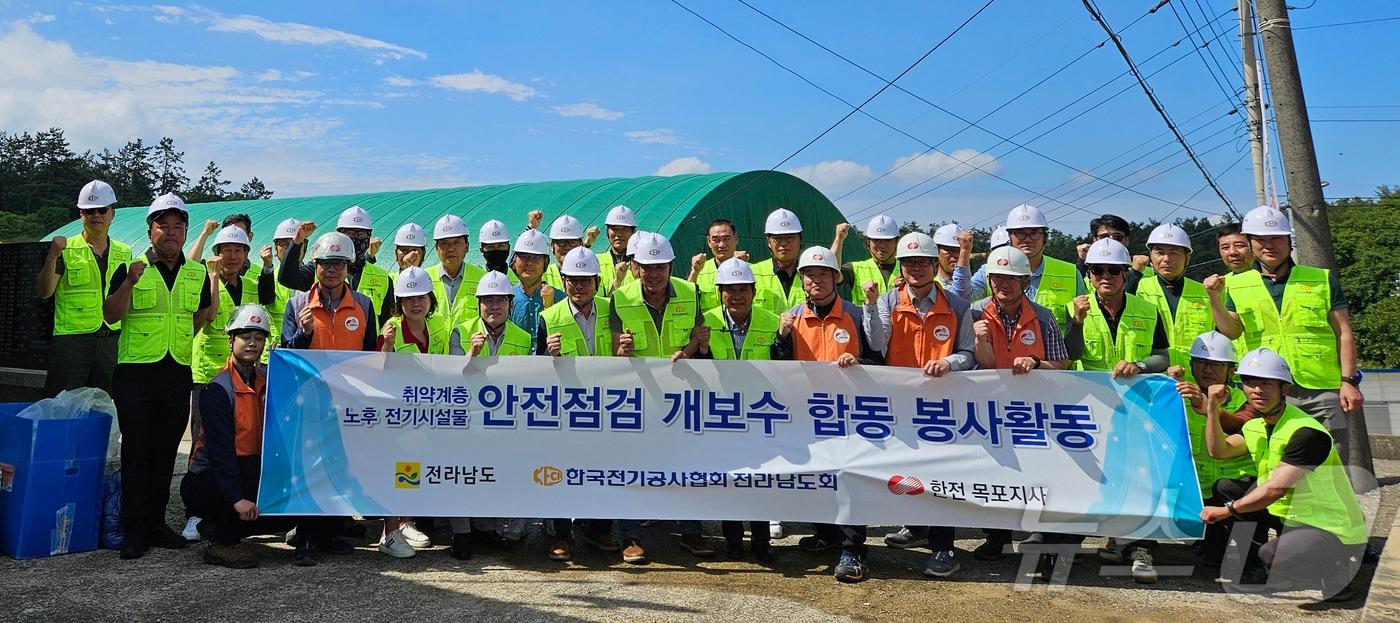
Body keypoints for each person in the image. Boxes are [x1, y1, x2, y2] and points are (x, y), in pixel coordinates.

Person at [1199, 348, 1368, 601]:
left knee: (1272, 555)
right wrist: (1212, 408)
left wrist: (1227, 510)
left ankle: (1337, 568)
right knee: (1227, 486)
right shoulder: (1256, 426)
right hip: (1291, 515)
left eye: (1266, 383)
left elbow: (1276, 489)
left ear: (1284, 389)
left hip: (1330, 525)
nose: (1257, 390)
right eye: (1251, 383)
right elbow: (1219, 451)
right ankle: (1261, 566)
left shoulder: (1306, 432)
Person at [102, 193, 218, 560]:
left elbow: (200, 315)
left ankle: (156, 523)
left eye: (178, 227)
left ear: (185, 232)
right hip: (135, 373)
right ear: (150, 230)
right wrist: (128, 283)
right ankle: (134, 528)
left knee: (167, 452)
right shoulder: (130, 266)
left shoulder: (196, 272)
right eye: (163, 226)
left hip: (176, 372)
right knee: (137, 452)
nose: (171, 232)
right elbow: (111, 315)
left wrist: (180, 342)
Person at [1205, 206, 1365, 466]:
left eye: (1276, 238)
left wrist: (1349, 381)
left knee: (1332, 461)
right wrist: (1214, 298)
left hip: (1321, 389)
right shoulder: (1235, 284)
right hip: (1267, 390)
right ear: (1251, 244)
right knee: (1275, 461)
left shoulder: (1321, 279)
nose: (1269, 245)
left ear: (1289, 241)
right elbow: (1231, 331)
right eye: (1260, 240)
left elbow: (1344, 331)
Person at [179, 304, 335, 568]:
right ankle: (224, 542)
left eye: (259, 337)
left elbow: (293, 368)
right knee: (249, 472)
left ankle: (220, 526)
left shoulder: (266, 378)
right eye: (245, 337)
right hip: (211, 480)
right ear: (231, 341)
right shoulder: (218, 389)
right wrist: (236, 499)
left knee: (305, 472)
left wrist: (304, 336)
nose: (252, 343)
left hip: (250, 470)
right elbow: (221, 453)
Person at [862, 232, 976, 579]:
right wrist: (870, 306)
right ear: (901, 266)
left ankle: (944, 548)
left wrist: (949, 363)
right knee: (905, 469)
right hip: (898, 402)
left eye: (922, 262)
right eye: (909, 263)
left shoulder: (956, 304)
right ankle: (915, 526)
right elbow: (877, 344)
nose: (916, 268)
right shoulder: (889, 300)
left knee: (940, 475)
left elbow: (968, 353)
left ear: (933, 264)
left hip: (940, 404)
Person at [773, 246, 883, 583]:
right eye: (809, 275)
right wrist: (781, 337)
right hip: (808, 414)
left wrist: (858, 362)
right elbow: (779, 367)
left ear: (836, 278)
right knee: (816, 476)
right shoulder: (792, 317)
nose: (816, 280)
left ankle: (854, 551)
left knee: (848, 479)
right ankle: (825, 533)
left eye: (823, 274)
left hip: (849, 415)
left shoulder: (854, 314)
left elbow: (879, 360)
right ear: (802, 280)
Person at [1064, 237, 1170, 582]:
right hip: (1091, 409)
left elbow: (1162, 356)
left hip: (1137, 407)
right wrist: (1077, 321)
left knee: (1140, 477)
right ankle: (1089, 538)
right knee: (1093, 478)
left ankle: (1141, 547)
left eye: (1114, 270)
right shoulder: (1074, 307)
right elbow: (1069, 354)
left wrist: (1139, 365)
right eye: (1098, 270)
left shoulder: (1147, 309)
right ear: (1089, 274)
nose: (1105, 276)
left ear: (1126, 274)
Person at [965, 246, 1076, 571]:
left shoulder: (1042, 316)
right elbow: (980, 366)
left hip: (1032, 413)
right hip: (989, 410)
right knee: (994, 474)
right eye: (997, 277)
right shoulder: (974, 314)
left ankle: (1043, 541)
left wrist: (1037, 362)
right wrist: (980, 341)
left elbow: (1063, 364)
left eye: (1011, 278)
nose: (1003, 284)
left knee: (1038, 475)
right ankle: (996, 537)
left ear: (1026, 281)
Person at [610, 232, 713, 563]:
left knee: (685, 464)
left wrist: (689, 350)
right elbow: (613, 350)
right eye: (647, 267)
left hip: (680, 395)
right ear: (636, 267)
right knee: (631, 466)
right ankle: (630, 536)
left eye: (660, 267)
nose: (654, 274)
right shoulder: (620, 298)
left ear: (670, 266)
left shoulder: (690, 293)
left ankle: (691, 531)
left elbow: (698, 337)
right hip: (637, 397)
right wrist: (622, 350)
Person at [534, 247, 620, 559]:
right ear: (564, 281)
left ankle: (598, 530)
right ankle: (561, 534)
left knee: (604, 470)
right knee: (561, 470)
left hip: (608, 406)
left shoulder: (613, 310)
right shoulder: (549, 318)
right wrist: (548, 356)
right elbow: (535, 371)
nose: (579, 286)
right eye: (572, 280)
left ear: (597, 281)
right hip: (567, 410)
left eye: (585, 280)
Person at [693, 258, 779, 562]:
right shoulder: (706, 322)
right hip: (722, 413)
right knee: (728, 478)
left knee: (760, 478)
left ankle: (761, 541)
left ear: (754, 291)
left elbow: (785, 365)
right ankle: (732, 539)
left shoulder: (772, 322)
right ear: (720, 293)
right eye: (730, 290)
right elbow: (698, 371)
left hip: (760, 413)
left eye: (743, 289)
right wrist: (703, 348)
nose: (737, 296)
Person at [372, 266, 451, 559]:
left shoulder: (438, 324)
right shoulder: (391, 328)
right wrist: (388, 346)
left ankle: (405, 521)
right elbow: (378, 371)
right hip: (398, 415)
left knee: (413, 468)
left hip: (428, 411)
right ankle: (389, 532)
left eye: (421, 297)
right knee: (395, 469)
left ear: (430, 299)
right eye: (408, 299)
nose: (416, 304)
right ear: (400, 303)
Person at [37, 180, 132, 397]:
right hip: (71, 342)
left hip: (110, 341)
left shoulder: (124, 252)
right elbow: (44, 292)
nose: (96, 215)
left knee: (104, 405)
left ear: (112, 213)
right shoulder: (65, 249)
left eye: (102, 210)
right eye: (90, 211)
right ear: (81, 214)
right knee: (63, 405)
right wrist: (52, 256)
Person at [1171, 332, 1258, 568]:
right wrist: (1168, 382)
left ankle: (1252, 558)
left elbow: (1238, 423)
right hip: (1193, 491)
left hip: (1232, 491)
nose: (1207, 369)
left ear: (1231, 370)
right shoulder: (1178, 396)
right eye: (1201, 363)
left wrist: (1208, 405)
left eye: (1216, 365)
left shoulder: (1246, 400)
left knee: (1239, 552)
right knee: (1211, 554)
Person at [971, 204, 1086, 333]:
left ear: (1045, 237)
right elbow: (963, 298)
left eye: (1034, 233)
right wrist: (964, 255)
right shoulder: (990, 270)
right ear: (1009, 237)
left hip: (1053, 345)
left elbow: (1085, 320)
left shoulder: (1070, 273)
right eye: (1020, 233)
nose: (1027, 240)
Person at [277, 206, 394, 329]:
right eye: (349, 233)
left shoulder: (383, 278)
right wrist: (297, 242)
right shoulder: (320, 269)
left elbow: (387, 323)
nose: (355, 239)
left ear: (368, 237)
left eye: (361, 234)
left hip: (364, 341)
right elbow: (287, 278)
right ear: (339, 235)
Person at [1135, 224, 1214, 379]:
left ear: (1187, 258)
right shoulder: (1137, 290)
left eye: (1174, 253)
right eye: (1160, 252)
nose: (1166, 259)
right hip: (1150, 381)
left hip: (1194, 381)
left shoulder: (1206, 293)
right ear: (1150, 256)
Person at [426, 215, 485, 329]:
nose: (451, 249)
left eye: (456, 243)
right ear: (436, 249)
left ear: (467, 247)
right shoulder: (424, 278)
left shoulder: (482, 279)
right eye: (445, 243)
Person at [832, 215, 900, 306]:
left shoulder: (908, 270)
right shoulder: (856, 269)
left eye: (887, 240)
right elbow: (832, 275)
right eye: (876, 240)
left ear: (896, 242)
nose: (882, 245)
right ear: (868, 242)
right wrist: (839, 239)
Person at [506, 229, 556, 352]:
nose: (529, 263)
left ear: (546, 263)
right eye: (523, 257)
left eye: (535, 258)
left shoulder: (561, 299)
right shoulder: (505, 298)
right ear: (514, 262)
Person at [752, 208, 808, 317]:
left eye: (790, 238)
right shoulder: (753, 274)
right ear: (769, 242)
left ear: (800, 239)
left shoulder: (811, 274)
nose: (784, 243)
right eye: (777, 238)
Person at [1075, 214, 1148, 292]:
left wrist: (1135, 273)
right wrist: (1082, 262)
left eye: (1117, 237)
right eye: (1104, 237)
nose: (1110, 240)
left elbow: (1124, 298)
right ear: (1095, 239)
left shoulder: (1145, 271)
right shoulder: (1082, 270)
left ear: (1127, 240)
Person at [688, 218, 748, 312]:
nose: (721, 245)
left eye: (727, 239)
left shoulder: (750, 270)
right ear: (709, 241)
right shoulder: (699, 271)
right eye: (716, 240)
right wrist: (694, 272)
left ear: (736, 238)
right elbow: (687, 299)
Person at [597, 205, 638, 294]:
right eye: (614, 229)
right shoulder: (595, 261)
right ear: (607, 232)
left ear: (633, 232)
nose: (619, 234)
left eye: (624, 229)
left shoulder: (641, 264)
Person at [931, 222, 974, 301]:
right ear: (936, 251)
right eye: (949, 250)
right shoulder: (930, 286)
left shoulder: (973, 283)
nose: (956, 255)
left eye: (959, 250)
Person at [543, 215, 586, 291]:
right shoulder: (542, 275)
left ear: (581, 245)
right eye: (561, 242)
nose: (567, 247)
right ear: (552, 246)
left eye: (572, 242)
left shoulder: (592, 276)